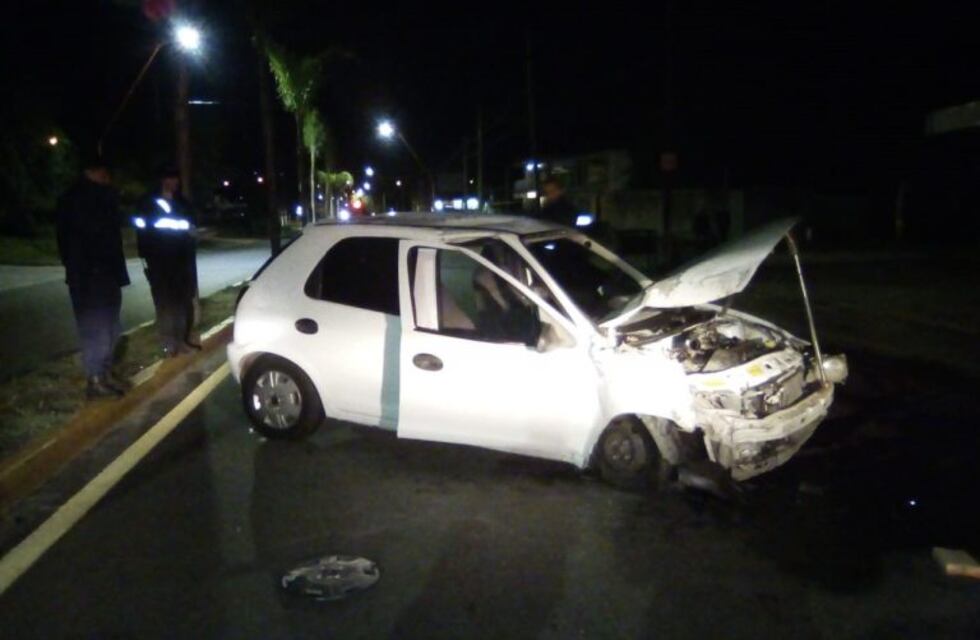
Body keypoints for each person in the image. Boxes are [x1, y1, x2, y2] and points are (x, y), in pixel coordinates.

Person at [55, 156, 130, 398]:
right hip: (89, 276)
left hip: (102, 274)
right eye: (105, 172)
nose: (108, 177)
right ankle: (95, 379)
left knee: (111, 327)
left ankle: (104, 373)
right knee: (96, 329)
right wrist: (82, 268)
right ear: (95, 171)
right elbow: (71, 241)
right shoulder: (79, 199)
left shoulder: (99, 196)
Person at [134, 166, 199, 357]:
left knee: (181, 303)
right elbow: (141, 232)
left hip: (181, 262)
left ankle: (180, 342)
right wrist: (145, 259)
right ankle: (168, 344)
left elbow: (191, 230)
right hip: (158, 262)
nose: (174, 183)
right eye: (170, 179)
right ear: (163, 181)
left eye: (176, 180)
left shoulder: (183, 204)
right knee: (164, 304)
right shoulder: (147, 204)